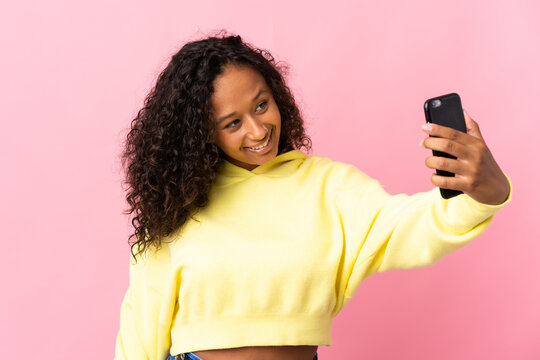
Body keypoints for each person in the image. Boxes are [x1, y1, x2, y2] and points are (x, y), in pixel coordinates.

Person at [114, 30, 512, 360]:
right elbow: (141, 332)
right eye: (232, 122)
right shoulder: (178, 207)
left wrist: (482, 192)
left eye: (261, 105)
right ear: (203, 133)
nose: (257, 130)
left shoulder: (329, 188)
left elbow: (413, 227)